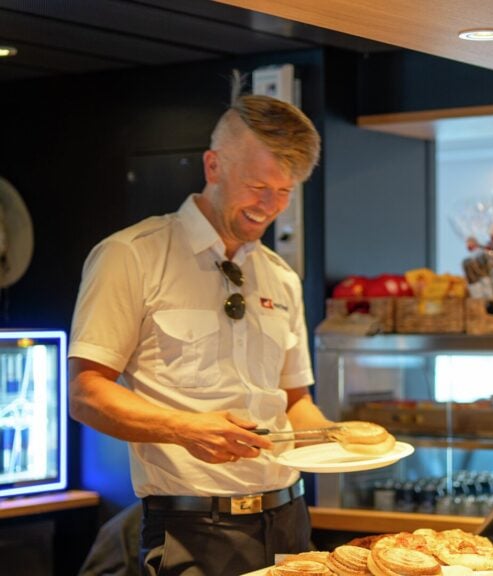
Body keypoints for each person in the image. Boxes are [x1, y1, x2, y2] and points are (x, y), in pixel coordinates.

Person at [69, 94, 331, 575]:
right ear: (213, 166)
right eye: (257, 186)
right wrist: (186, 429)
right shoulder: (132, 255)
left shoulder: (281, 276)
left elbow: (295, 401)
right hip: (191, 525)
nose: (269, 206)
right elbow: (86, 393)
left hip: (288, 519)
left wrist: (338, 441)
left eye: (284, 190)